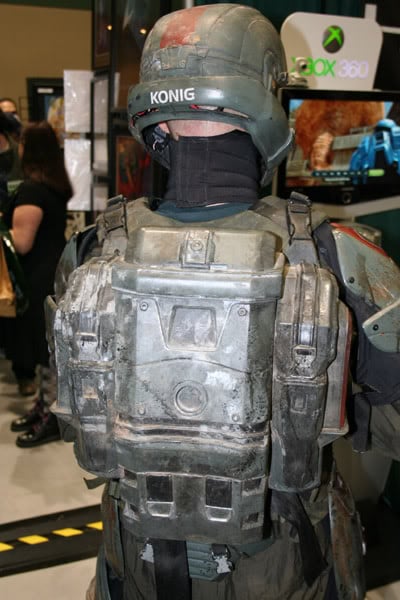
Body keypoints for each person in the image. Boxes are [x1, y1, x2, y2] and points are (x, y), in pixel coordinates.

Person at [47, 5, 400, 599]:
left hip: (136, 570)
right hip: (285, 573)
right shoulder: (336, 256)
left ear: (155, 118)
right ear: (267, 100)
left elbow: (73, 415)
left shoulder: (90, 251)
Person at [5, 120, 72, 446]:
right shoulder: (53, 185)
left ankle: (51, 418)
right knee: (48, 349)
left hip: (37, 276)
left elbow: (21, 243)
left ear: (28, 150)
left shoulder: (32, 190)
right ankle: (43, 408)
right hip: (53, 271)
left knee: (46, 350)